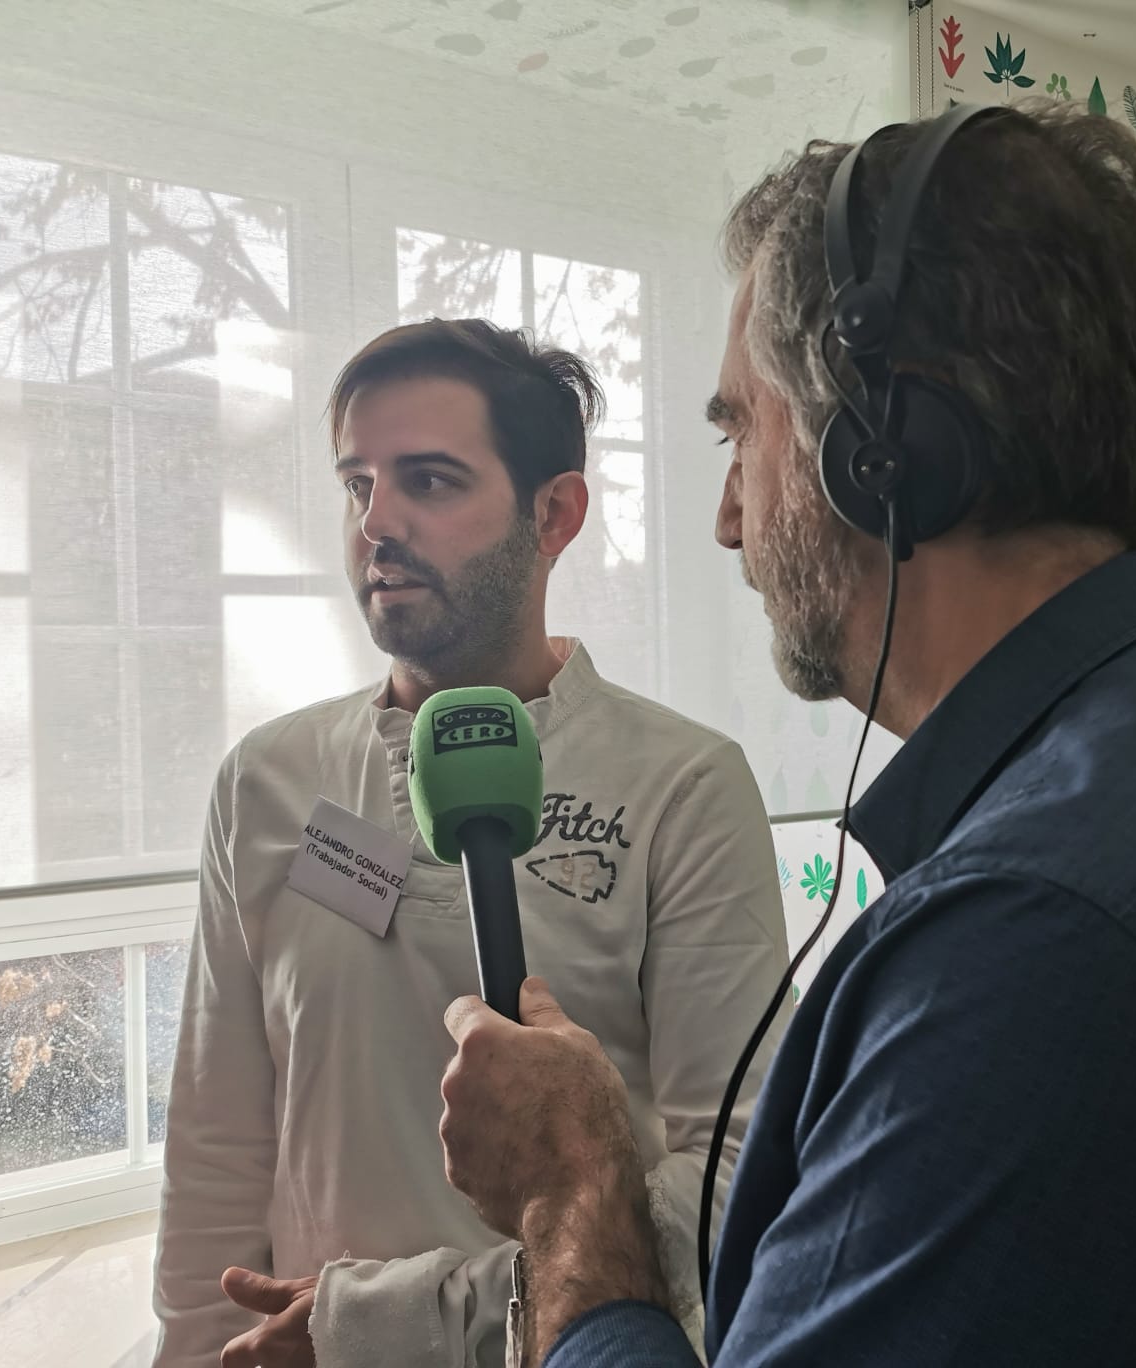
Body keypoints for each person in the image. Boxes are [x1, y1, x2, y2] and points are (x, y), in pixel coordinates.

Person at [434, 102, 1136, 1366]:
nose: (730, 518)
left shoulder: (1033, 945)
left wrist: (573, 1190)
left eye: (743, 430)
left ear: (885, 454)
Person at [150, 319, 790, 1368]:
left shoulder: (683, 785)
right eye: (358, 485)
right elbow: (218, 1150)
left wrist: (389, 1321)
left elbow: (734, 1177)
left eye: (430, 481)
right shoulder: (266, 781)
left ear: (555, 513)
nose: (377, 523)